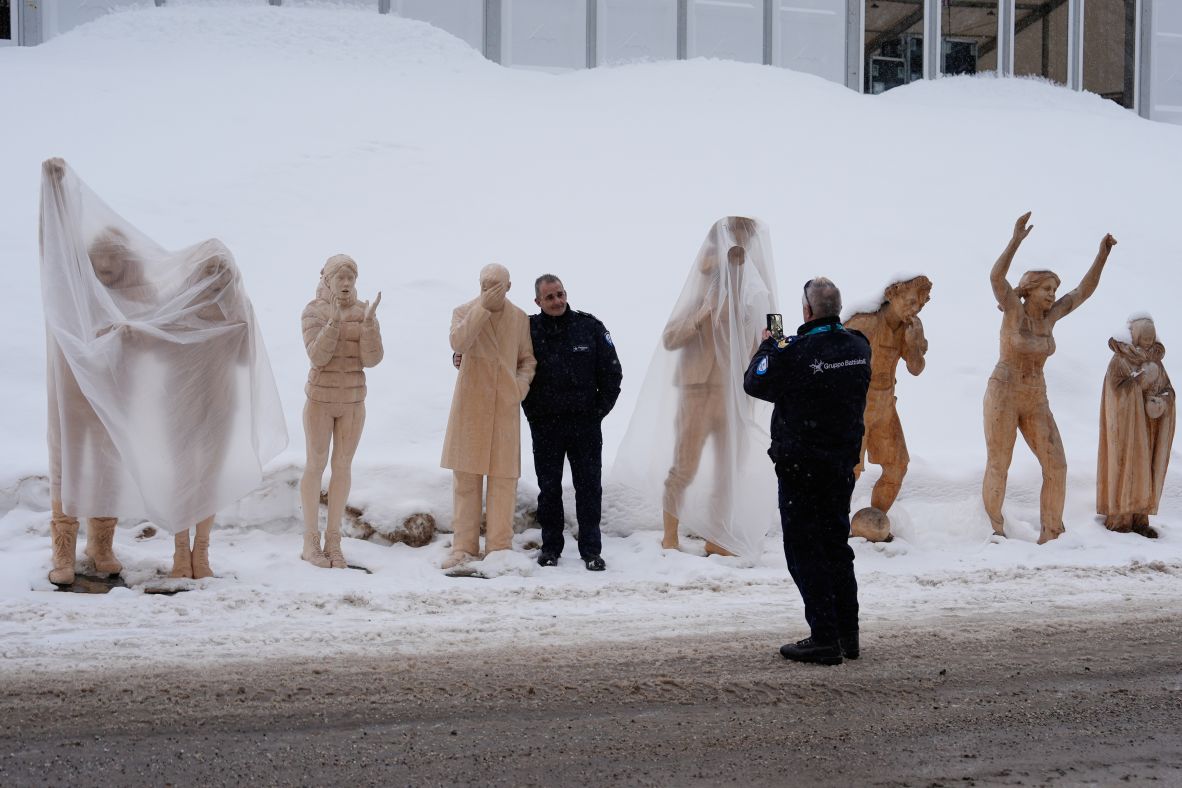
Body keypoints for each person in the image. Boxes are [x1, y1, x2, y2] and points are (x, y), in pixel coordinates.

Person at [39, 158, 287, 583]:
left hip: (123, 397)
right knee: (69, 465)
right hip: (76, 395)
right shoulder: (77, 291)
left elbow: (170, 339)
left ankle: (103, 544)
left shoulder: (144, 295)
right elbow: (55, 251)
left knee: (111, 467)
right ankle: (63, 552)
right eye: (101, 256)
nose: (108, 264)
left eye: (116, 256)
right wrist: (55, 190)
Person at [613, 217, 778, 560]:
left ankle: (717, 536)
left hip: (734, 395)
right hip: (697, 392)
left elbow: (770, 341)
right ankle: (669, 536)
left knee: (728, 471)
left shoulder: (753, 295)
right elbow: (670, 338)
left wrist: (765, 342)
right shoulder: (702, 291)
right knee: (684, 467)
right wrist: (703, 314)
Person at [744, 277, 871, 666]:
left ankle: (824, 638)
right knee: (836, 547)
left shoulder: (794, 351)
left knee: (805, 550)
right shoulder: (858, 346)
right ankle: (848, 635)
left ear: (807, 311)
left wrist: (770, 345)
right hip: (841, 463)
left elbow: (754, 382)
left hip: (801, 466)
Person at [983, 212, 1116, 544]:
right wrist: (1015, 240)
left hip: (1035, 396)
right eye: (1046, 288)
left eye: (1054, 289)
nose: (1053, 294)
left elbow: (1083, 291)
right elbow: (996, 277)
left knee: (1056, 465)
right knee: (999, 462)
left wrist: (1101, 256)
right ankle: (993, 529)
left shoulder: (1051, 318)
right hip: (1004, 391)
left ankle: (1052, 533)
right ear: (1029, 290)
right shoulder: (1013, 309)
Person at [521, 275, 622, 571]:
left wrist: (597, 411)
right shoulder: (527, 329)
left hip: (584, 424)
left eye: (560, 294)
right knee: (549, 488)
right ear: (538, 301)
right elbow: (498, 352)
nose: (557, 301)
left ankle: (591, 550)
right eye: (550, 297)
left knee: (589, 487)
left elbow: (612, 373)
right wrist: (460, 354)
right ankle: (550, 548)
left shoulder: (589, 327)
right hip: (546, 425)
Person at [440, 264, 536, 570]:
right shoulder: (464, 311)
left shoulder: (519, 318)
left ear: (509, 286)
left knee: (503, 480)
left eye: (497, 285)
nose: (491, 290)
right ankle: (463, 547)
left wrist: (519, 387)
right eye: (486, 285)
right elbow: (458, 342)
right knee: (466, 481)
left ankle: (499, 546)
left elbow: (527, 360)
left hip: (504, 406)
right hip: (470, 407)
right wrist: (481, 307)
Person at [299, 255, 383, 569]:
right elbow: (317, 356)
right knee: (315, 464)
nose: (346, 283)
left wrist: (370, 326)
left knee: (343, 466)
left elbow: (372, 360)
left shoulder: (363, 312)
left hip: (353, 401)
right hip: (320, 399)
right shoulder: (313, 311)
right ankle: (310, 541)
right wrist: (334, 321)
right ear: (328, 279)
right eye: (341, 278)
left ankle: (333, 541)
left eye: (351, 278)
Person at [844, 275, 931, 540]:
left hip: (885, 406)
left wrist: (914, 344)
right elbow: (835, 354)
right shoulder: (866, 323)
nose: (914, 309)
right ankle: (834, 525)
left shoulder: (907, 328)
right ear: (892, 295)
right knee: (848, 469)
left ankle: (874, 522)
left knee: (897, 466)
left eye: (920, 305)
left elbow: (916, 368)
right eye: (910, 302)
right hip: (856, 405)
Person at [1097, 316, 1175, 538]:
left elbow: (1168, 389)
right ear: (1135, 336)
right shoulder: (1120, 361)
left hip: (1149, 428)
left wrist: (1162, 402)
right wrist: (1140, 381)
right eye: (1145, 337)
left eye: (1151, 337)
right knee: (1126, 467)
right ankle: (1120, 518)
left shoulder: (1157, 363)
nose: (1148, 342)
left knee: (1146, 470)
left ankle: (1140, 519)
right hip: (1127, 429)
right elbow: (1115, 393)